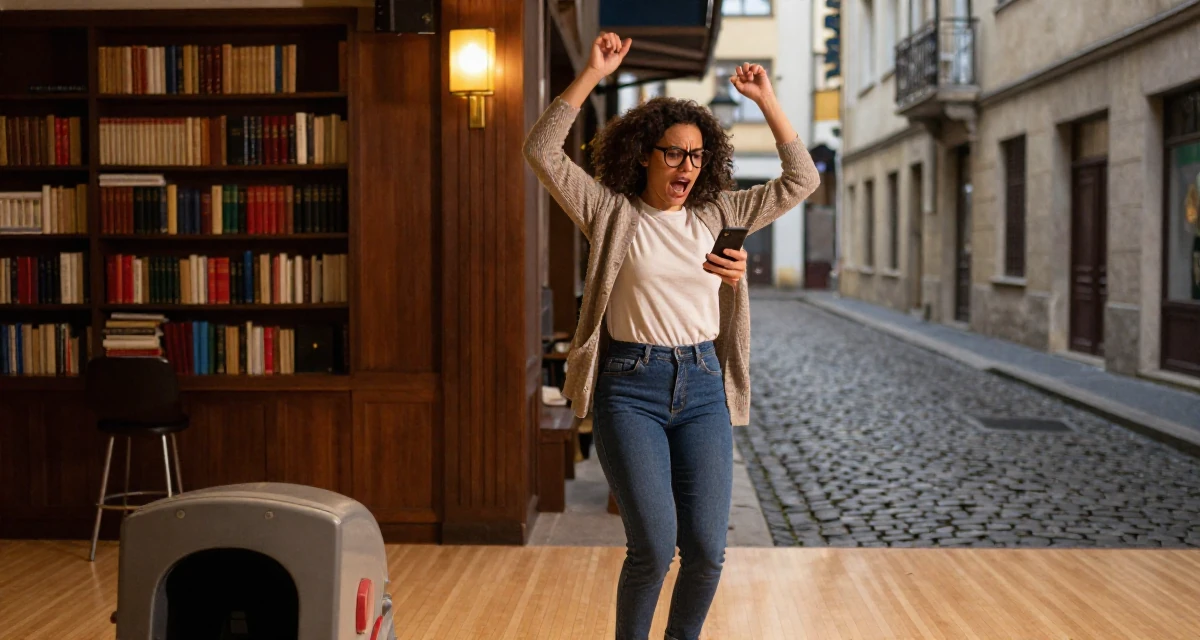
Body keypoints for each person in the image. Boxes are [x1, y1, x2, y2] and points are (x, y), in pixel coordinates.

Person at [523, 31, 820, 640]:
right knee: (654, 547)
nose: (687, 166)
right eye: (673, 153)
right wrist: (591, 73)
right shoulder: (610, 211)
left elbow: (800, 181)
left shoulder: (719, 215)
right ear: (643, 155)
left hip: (704, 388)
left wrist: (767, 100)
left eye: (697, 156)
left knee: (708, 550)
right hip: (630, 387)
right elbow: (543, 151)